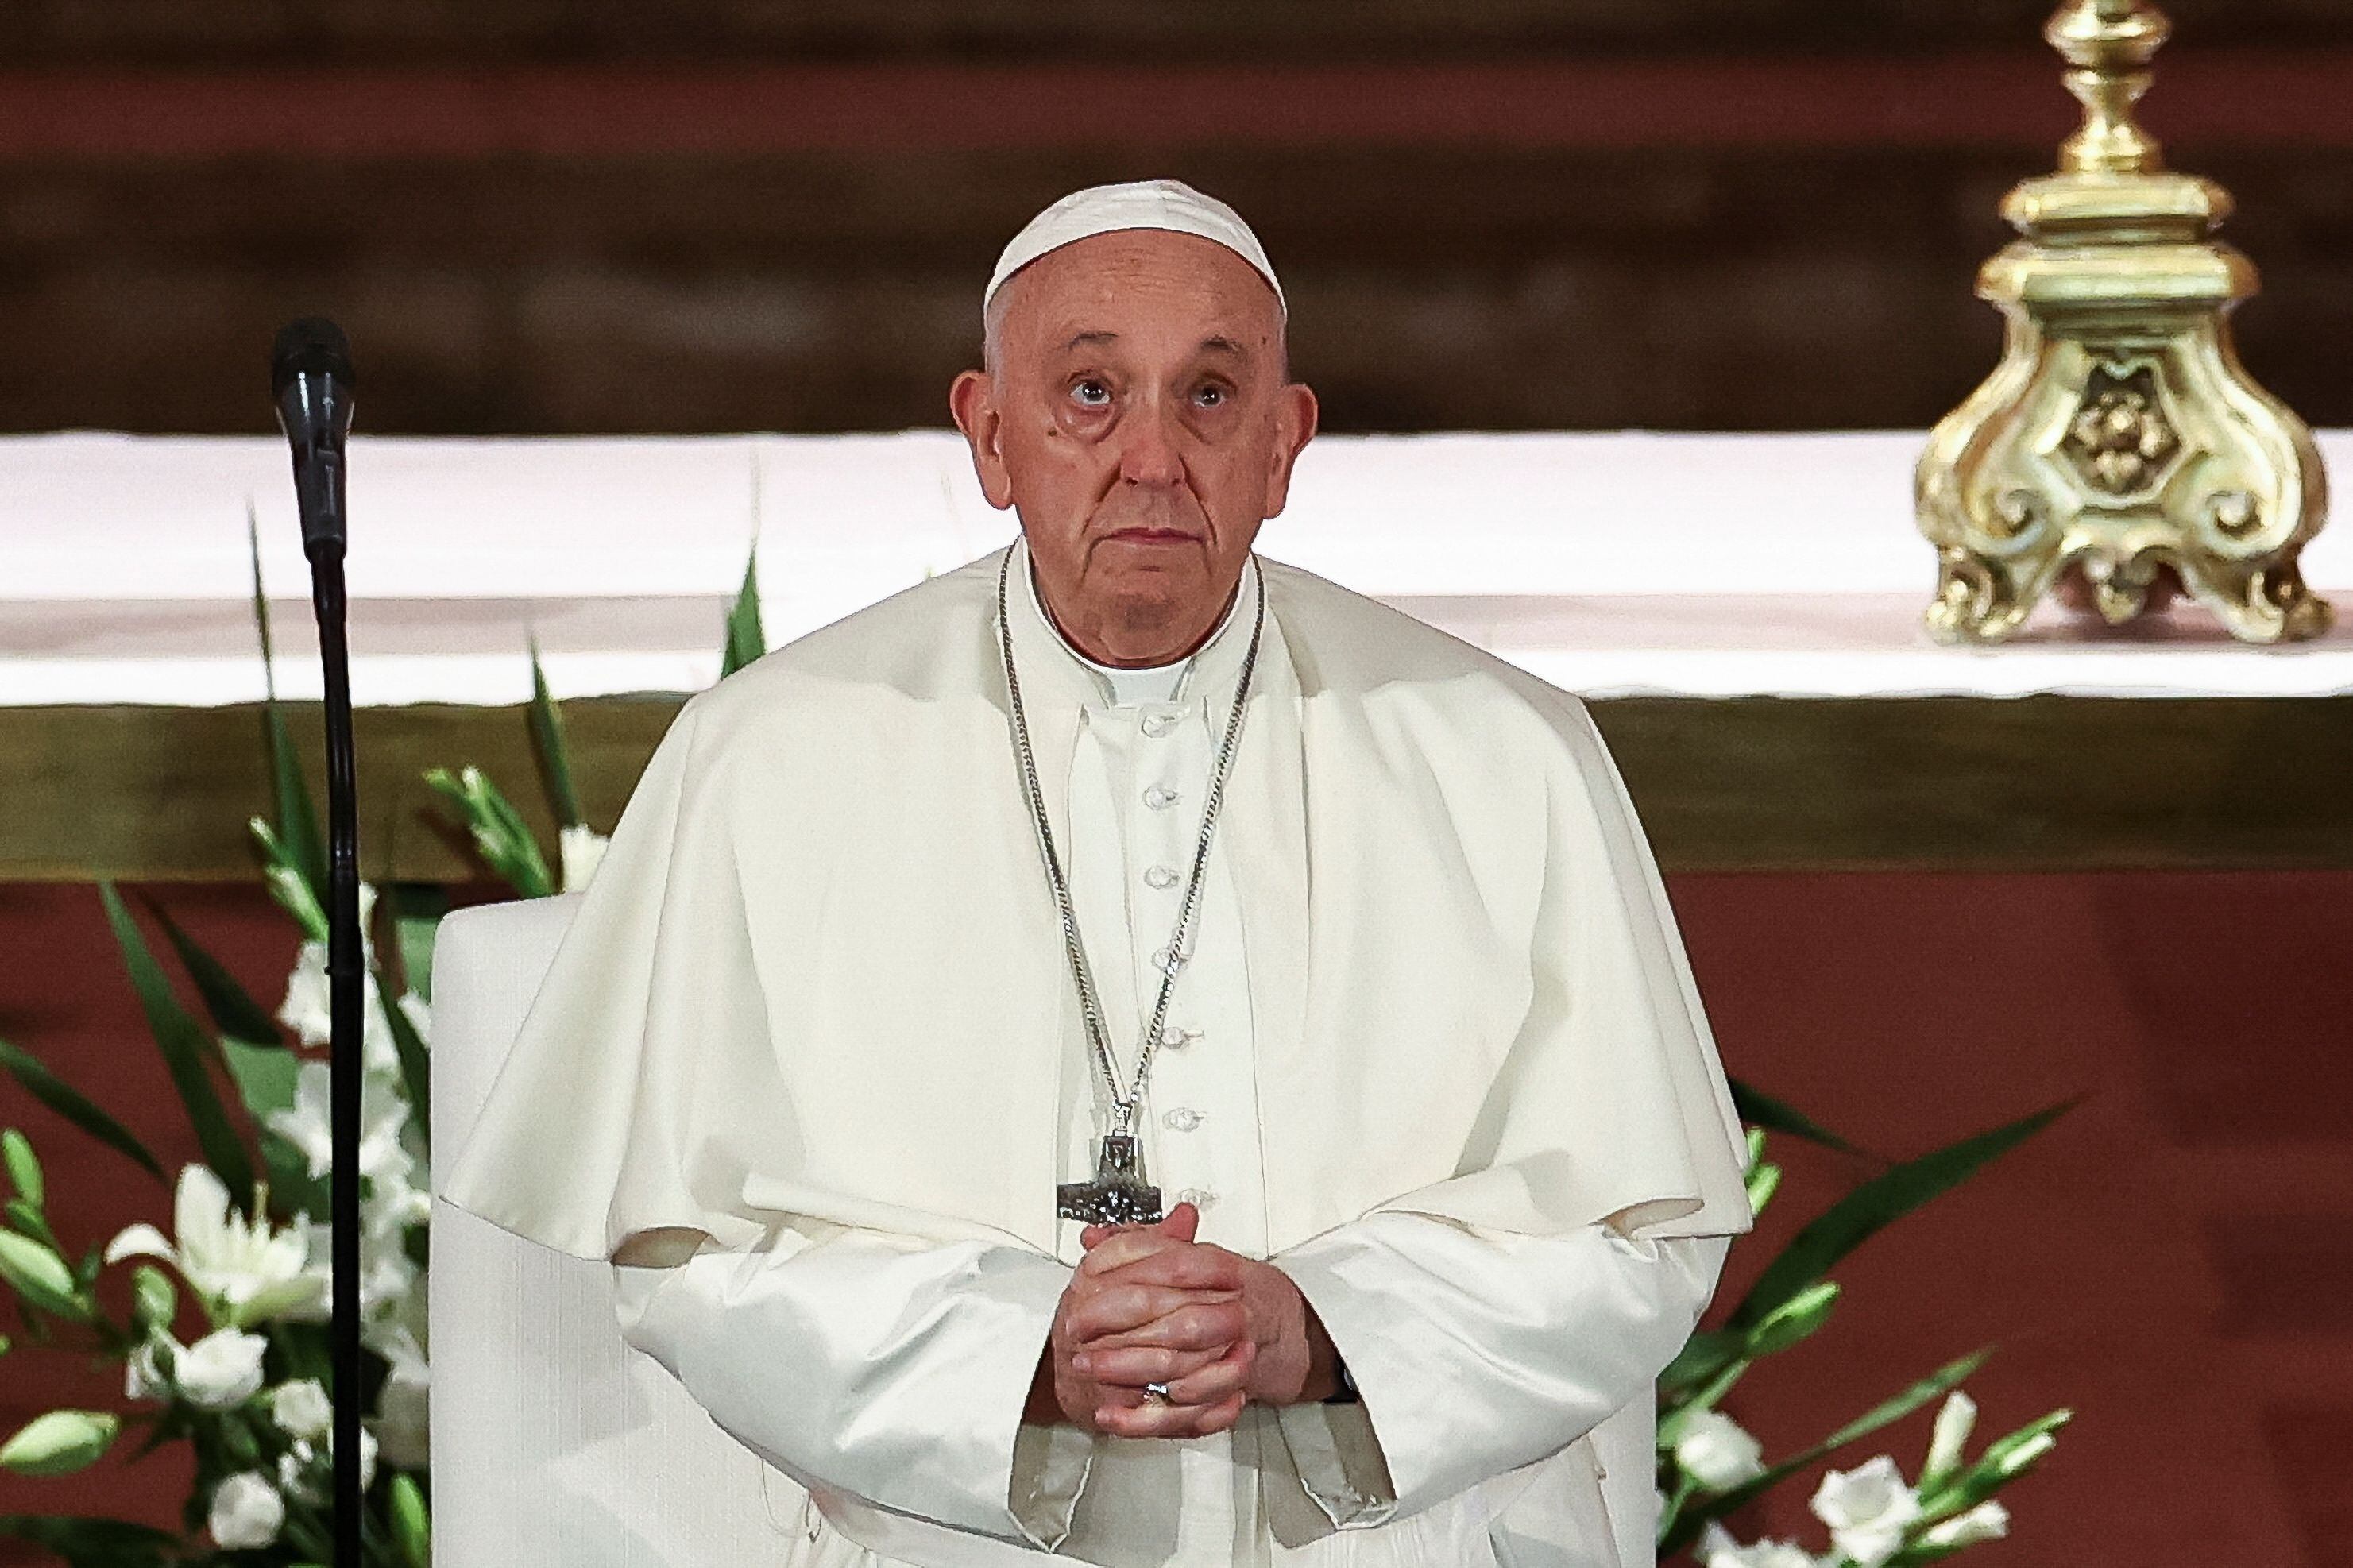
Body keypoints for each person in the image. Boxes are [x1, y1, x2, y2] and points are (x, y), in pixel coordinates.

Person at [442, 177, 1755, 1568]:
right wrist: (1017, 1357)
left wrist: (1318, 1330)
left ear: (1284, 441)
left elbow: (1637, 1235)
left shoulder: (1506, 752)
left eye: (1207, 396)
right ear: (988, 434)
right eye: (1087, 394)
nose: (1149, 459)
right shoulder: (770, 753)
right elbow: (690, 1260)